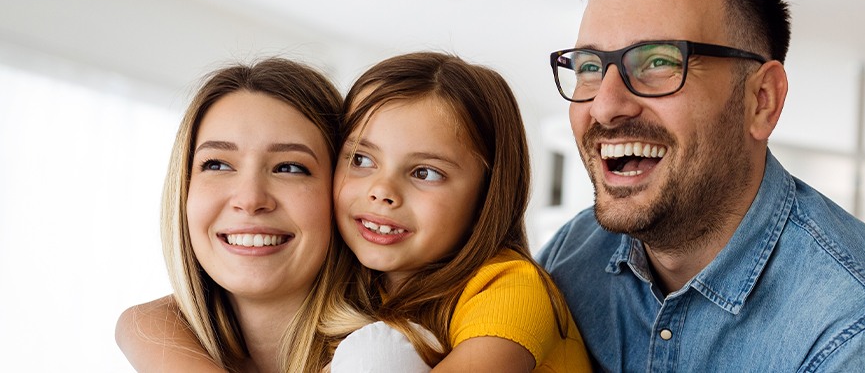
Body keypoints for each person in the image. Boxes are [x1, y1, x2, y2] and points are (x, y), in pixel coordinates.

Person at [537, 0, 865, 371]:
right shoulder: (570, 256)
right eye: (589, 67)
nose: (606, 106)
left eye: (659, 61)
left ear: (761, 101)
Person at [324, 52, 591, 372]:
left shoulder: (512, 288)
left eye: (424, 173)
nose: (382, 191)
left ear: (487, 193)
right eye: (361, 159)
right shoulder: (354, 289)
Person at [115, 58, 354, 372]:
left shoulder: (401, 351)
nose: (250, 199)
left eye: (290, 167)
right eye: (217, 165)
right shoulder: (154, 332)